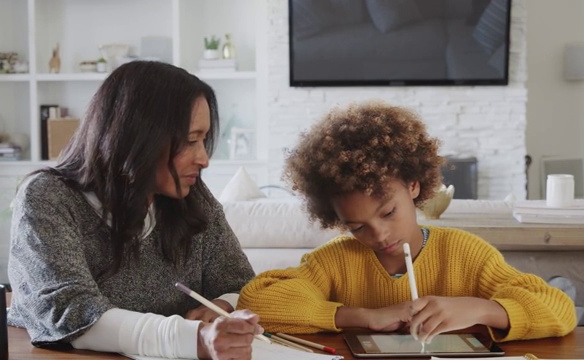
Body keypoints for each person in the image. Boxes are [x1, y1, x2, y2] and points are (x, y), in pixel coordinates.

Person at [237, 101, 577, 343]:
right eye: (357, 227)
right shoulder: (334, 262)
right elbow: (257, 302)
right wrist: (364, 316)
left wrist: (478, 309)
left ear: (413, 184)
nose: (379, 234)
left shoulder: (466, 255)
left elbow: (559, 309)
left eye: (387, 212)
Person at [8, 61, 262, 360]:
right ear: (138, 138)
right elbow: (70, 312)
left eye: (204, 141)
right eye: (191, 141)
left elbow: (241, 284)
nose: (204, 159)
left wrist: (223, 306)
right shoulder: (48, 197)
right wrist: (195, 339)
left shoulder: (191, 196)